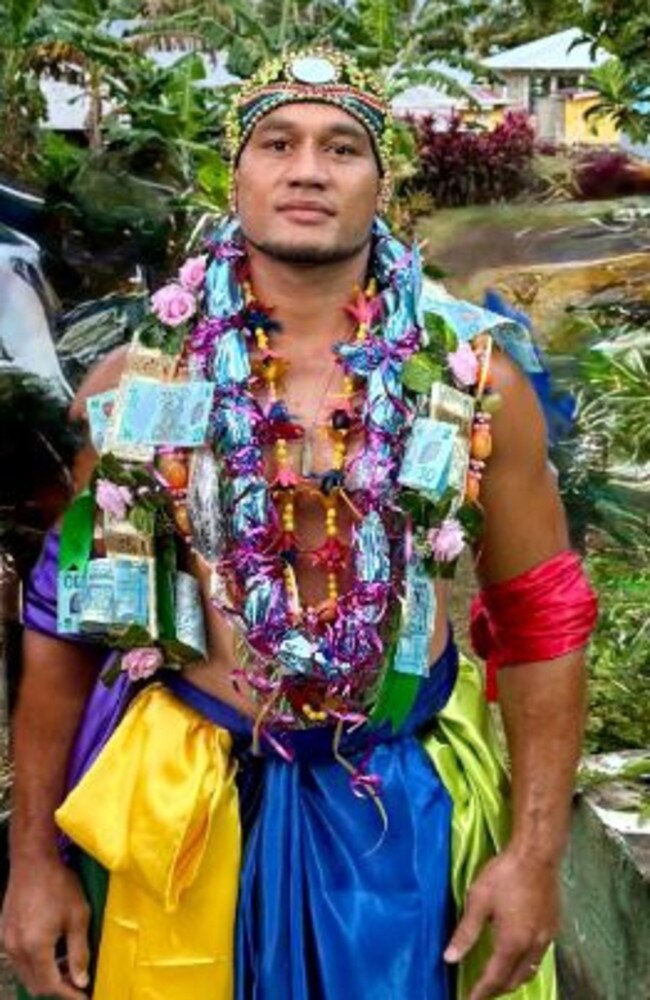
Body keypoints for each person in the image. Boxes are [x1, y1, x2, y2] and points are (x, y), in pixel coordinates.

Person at [1, 49, 597, 1000]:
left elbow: (541, 621)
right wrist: (31, 863)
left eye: (342, 147)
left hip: (395, 813)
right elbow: (62, 629)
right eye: (277, 143)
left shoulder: (477, 389)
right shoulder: (136, 383)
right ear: (236, 176)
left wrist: (532, 857)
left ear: (380, 182)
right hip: (184, 803)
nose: (308, 169)